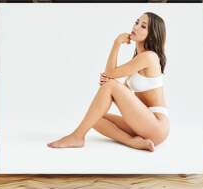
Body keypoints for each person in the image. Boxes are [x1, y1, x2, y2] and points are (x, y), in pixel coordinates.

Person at [47, 12, 169, 152]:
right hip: (143, 122)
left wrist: (116, 44)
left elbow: (110, 72)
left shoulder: (149, 57)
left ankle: (77, 136)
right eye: (136, 22)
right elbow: (123, 89)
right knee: (94, 117)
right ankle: (131, 141)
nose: (136, 27)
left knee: (109, 86)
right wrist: (113, 84)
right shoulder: (140, 57)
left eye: (143, 26)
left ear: (152, 34)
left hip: (156, 125)